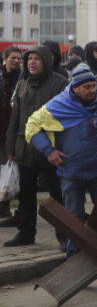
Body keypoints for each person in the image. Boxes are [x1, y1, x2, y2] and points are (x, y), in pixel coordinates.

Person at [25, 64, 97, 258]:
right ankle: (74, 260)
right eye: (87, 87)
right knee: (73, 220)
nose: (93, 90)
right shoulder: (59, 105)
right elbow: (32, 127)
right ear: (75, 88)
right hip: (71, 174)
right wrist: (49, 151)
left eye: (94, 86)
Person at [4, 46, 68, 249]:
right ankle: (26, 232)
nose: (31, 62)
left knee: (57, 196)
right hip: (25, 148)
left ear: (46, 62)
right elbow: (16, 117)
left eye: (36, 59)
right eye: (29, 59)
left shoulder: (60, 84)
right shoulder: (23, 83)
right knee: (26, 195)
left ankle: (64, 235)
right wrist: (11, 145)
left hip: (52, 150)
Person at [0, 46, 22, 218]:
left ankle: (6, 206)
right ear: (5, 58)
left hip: (13, 132)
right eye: (13, 58)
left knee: (10, 170)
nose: (16, 61)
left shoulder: (22, 79)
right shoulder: (1, 78)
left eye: (18, 58)